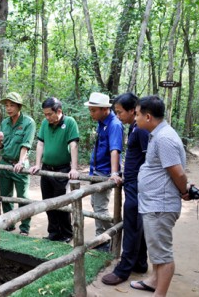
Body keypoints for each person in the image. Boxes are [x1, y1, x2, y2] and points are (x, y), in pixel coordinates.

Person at [129, 95, 191, 296]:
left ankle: (160, 293)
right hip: (154, 203)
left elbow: (178, 173)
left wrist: (184, 191)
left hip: (161, 204)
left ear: (148, 116)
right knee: (156, 248)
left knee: (163, 253)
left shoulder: (164, 138)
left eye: (137, 114)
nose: (135, 118)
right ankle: (154, 281)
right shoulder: (158, 134)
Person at [101, 93, 149, 285]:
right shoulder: (134, 128)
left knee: (132, 226)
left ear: (132, 111)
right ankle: (140, 262)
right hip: (132, 183)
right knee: (138, 226)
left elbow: (149, 160)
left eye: (120, 112)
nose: (118, 116)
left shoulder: (142, 130)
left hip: (138, 186)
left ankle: (123, 270)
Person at [29, 97, 79, 243]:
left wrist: (74, 168)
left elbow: (74, 145)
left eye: (49, 114)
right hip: (46, 169)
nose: (47, 117)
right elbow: (40, 144)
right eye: (45, 114)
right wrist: (38, 164)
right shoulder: (45, 123)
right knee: (48, 203)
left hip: (62, 170)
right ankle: (53, 232)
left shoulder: (69, 122)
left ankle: (66, 233)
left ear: (59, 111)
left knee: (61, 204)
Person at [84, 92, 124, 251]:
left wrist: (114, 173)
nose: (91, 113)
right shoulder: (101, 122)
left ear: (104, 109)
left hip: (105, 172)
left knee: (100, 208)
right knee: (95, 204)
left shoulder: (114, 124)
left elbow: (115, 149)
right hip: (96, 170)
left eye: (93, 110)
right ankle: (104, 237)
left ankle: (106, 239)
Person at [0, 92, 36, 236]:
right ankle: (9, 224)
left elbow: (26, 144)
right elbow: (1, 147)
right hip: (5, 163)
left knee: (22, 197)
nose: (9, 108)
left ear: (19, 106)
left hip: (20, 165)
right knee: (5, 196)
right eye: (6, 105)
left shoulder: (28, 122)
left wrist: (20, 162)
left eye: (12, 105)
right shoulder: (5, 123)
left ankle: (24, 228)